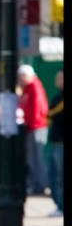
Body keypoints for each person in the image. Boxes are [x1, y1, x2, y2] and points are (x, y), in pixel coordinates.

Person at [17, 64, 49, 195]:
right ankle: (36, 184)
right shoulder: (27, 88)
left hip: (37, 127)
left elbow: (38, 108)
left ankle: (41, 185)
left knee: (37, 158)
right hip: (31, 126)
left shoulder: (35, 87)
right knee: (32, 158)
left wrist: (31, 122)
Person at [45, 69, 63, 216]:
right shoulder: (57, 98)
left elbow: (51, 115)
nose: (57, 81)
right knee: (54, 175)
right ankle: (58, 204)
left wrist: (50, 116)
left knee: (59, 176)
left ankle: (61, 206)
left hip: (60, 141)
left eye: (60, 79)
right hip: (55, 140)